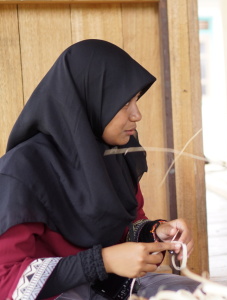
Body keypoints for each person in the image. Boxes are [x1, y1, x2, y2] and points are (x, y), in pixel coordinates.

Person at [0, 39, 200, 299]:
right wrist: (101, 262)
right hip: (57, 294)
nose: (136, 115)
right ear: (89, 99)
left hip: (114, 287)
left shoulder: (118, 155)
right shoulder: (21, 172)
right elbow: (5, 281)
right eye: (124, 103)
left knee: (199, 294)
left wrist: (158, 232)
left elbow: (125, 229)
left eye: (136, 100)